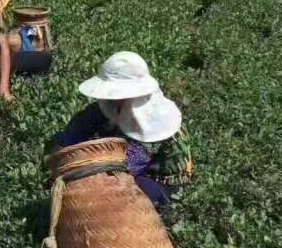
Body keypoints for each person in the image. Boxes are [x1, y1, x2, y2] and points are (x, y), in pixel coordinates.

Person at [53, 51, 194, 208]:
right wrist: (64, 151)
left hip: (158, 180)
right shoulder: (111, 105)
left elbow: (130, 166)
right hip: (126, 162)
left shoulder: (152, 123)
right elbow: (80, 126)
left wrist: (88, 176)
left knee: (121, 194)